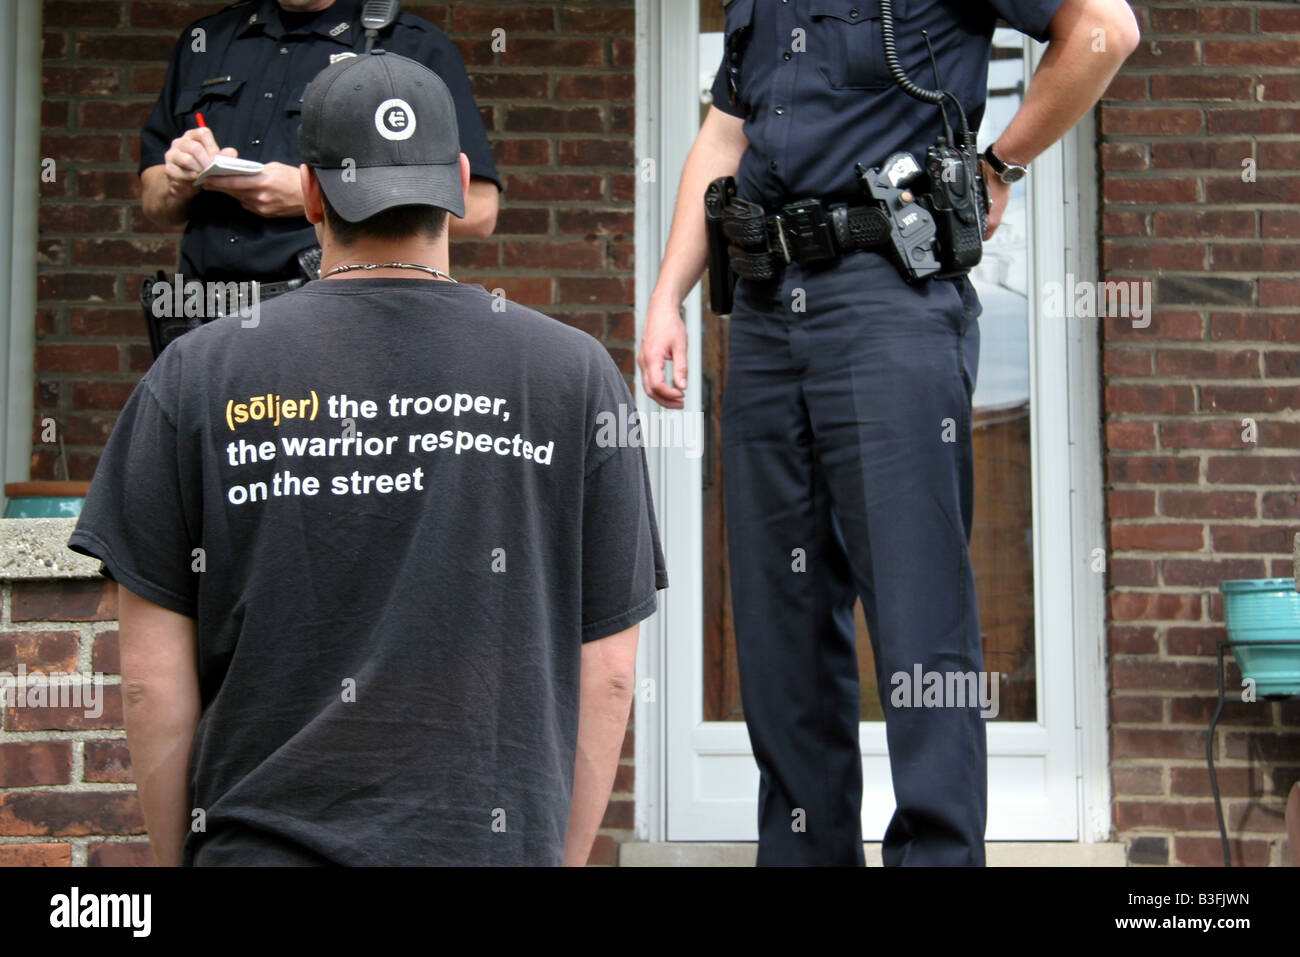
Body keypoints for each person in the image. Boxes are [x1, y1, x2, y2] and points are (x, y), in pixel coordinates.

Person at [69, 51, 667, 866]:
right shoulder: (573, 374)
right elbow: (609, 675)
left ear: (310, 190)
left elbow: (147, 678)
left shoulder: (198, 373)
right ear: (458, 181)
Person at [638, 0, 1138, 865]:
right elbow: (726, 132)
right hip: (761, 308)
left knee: (919, 617)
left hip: (888, 298)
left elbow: (1106, 29)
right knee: (777, 619)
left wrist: (1001, 162)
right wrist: (665, 295)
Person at [139, 0, 500, 293]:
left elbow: (479, 210)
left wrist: (316, 196)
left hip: (329, 315)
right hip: (199, 315)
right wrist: (178, 181)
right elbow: (155, 204)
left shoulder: (410, 46)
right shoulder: (208, 40)